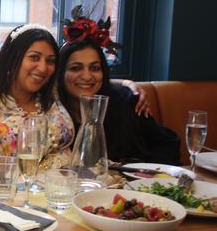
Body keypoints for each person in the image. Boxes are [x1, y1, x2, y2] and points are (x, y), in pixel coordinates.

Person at [57, 13, 180, 165]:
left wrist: (145, 173)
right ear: (60, 73)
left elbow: (167, 143)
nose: (87, 76)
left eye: (95, 68)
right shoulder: (53, 111)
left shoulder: (127, 100)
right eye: (76, 68)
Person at [0, 24, 75, 174]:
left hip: (61, 192)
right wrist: (54, 164)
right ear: (12, 59)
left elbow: (69, 156)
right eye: (34, 57)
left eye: (50, 61)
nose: (43, 68)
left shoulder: (52, 102)